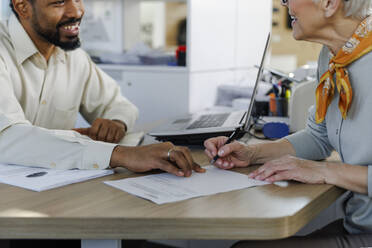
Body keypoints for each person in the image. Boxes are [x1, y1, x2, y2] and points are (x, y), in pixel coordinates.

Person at [205, 0, 372, 247]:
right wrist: (251, 153)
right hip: (358, 223)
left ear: (329, 3)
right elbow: (319, 137)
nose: (284, 4)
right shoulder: (333, 57)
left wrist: (325, 171)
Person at [0, 0, 205, 178]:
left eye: (78, 0)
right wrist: (121, 154)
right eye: (59, 2)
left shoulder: (74, 57)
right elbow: (7, 137)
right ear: (22, 7)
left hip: (52, 188)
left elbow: (120, 105)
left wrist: (116, 122)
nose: (77, 12)